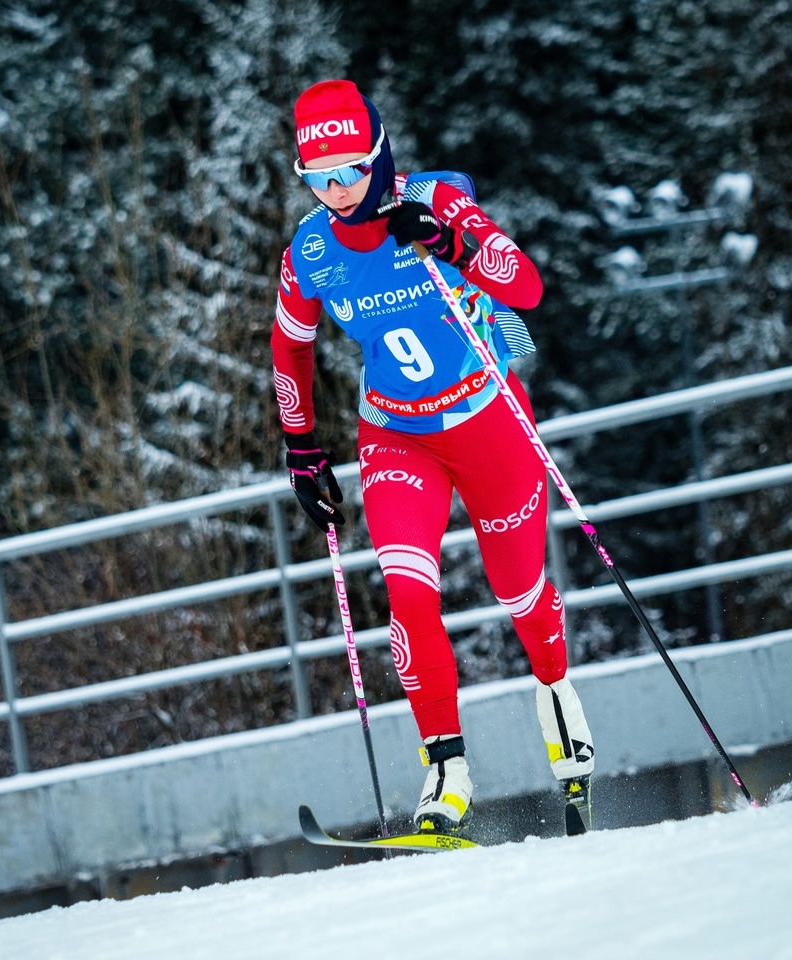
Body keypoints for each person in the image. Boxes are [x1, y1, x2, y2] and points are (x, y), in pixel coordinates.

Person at [272, 79, 595, 834]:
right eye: (318, 178)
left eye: (350, 171)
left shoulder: (440, 203)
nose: (338, 192)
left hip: (488, 422)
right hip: (395, 435)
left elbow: (528, 284)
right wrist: (301, 446)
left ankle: (558, 698)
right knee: (409, 594)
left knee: (520, 594)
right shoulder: (311, 250)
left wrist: (455, 245)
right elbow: (290, 343)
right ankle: (445, 774)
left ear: (380, 156)